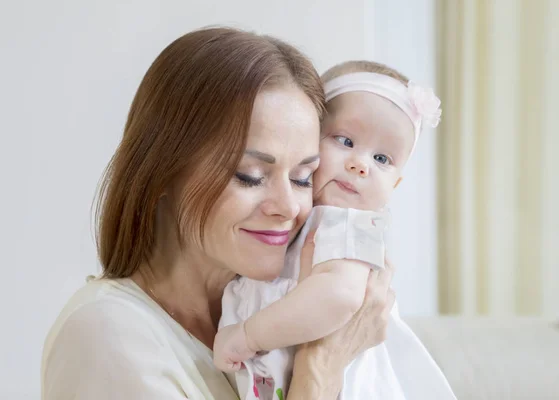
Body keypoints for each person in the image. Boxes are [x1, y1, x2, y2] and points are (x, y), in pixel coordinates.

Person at [40, 28, 395, 400]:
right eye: (250, 177)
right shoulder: (106, 334)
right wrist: (322, 362)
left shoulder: (272, 317)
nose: (289, 207)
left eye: (303, 178)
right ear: (162, 171)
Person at [213, 61, 456, 400]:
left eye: (383, 159)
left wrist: (249, 336)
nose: (361, 164)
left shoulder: (348, 224)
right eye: (345, 140)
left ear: (396, 184)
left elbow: (338, 295)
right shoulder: (303, 217)